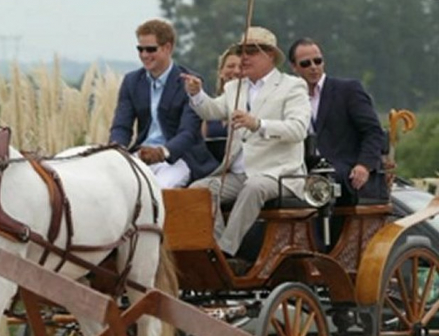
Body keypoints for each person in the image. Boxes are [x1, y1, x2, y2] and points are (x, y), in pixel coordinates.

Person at [181, 26, 310, 259]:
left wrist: (258, 124)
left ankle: (226, 251)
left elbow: (298, 129)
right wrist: (197, 94)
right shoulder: (234, 87)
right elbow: (211, 111)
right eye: (241, 51)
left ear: (270, 55)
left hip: (278, 174)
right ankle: (214, 246)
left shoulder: (292, 86)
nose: (244, 57)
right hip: (240, 173)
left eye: (251, 51)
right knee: (199, 190)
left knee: (254, 187)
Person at [109, 18, 218, 188]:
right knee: (116, 188)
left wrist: (162, 152)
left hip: (180, 158)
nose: (144, 55)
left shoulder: (190, 82)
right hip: (142, 156)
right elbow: (121, 126)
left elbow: (188, 133)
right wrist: (116, 150)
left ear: (168, 47)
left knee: (157, 191)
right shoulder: (131, 81)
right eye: (140, 49)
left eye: (151, 49)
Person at [288, 37, 387, 203]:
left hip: (345, 171)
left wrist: (364, 165)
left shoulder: (348, 90)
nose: (313, 67)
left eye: (318, 61)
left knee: (323, 184)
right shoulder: (291, 97)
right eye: (306, 63)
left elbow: (373, 131)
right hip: (304, 169)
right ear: (294, 67)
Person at [206, 49, 242, 160]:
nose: (236, 71)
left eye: (241, 67)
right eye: (231, 66)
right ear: (221, 72)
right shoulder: (210, 107)